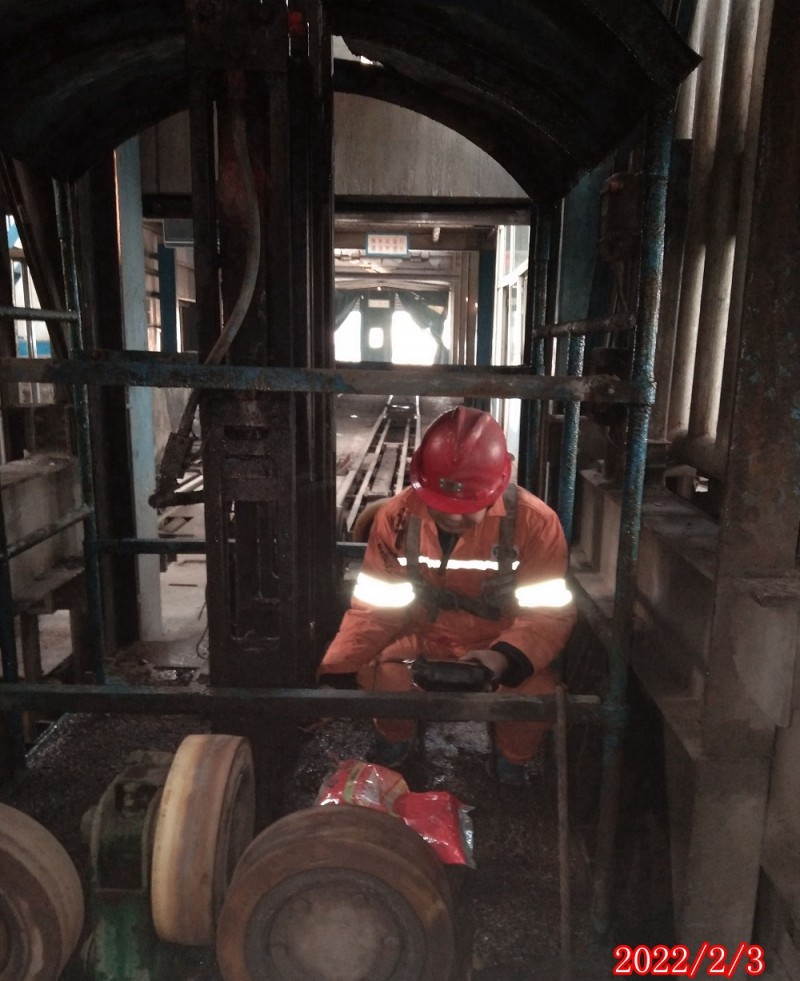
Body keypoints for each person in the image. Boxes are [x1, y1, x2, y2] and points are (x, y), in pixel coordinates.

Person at [318, 406, 576, 785]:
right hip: (423, 636)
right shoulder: (396, 518)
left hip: (499, 641)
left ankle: (512, 763)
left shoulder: (536, 524)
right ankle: (396, 744)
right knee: (379, 673)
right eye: (443, 504)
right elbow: (375, 608)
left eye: (468, 507)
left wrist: (503, 658)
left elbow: (547, 614)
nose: (454, 518)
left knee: (533, 697)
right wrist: (336, 670)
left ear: (498, 486)